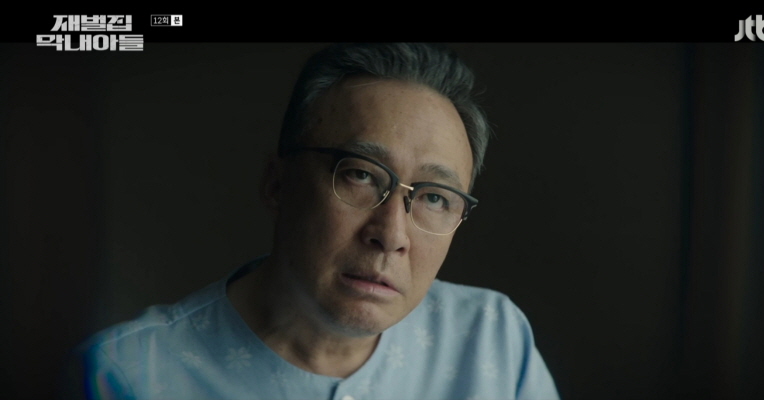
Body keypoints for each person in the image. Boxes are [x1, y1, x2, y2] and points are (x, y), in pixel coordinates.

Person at [73, 43, 560, 400]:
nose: (391, 235)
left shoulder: (493, 339)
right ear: (277, 183)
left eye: (434, 197)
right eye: (361, 175)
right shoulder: (126, 374)